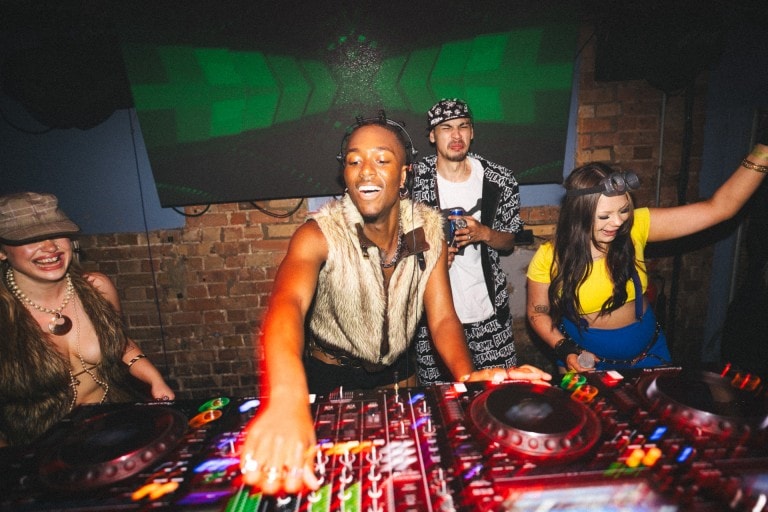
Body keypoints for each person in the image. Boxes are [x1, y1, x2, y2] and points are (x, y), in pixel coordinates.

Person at [239, 113, 551, 495]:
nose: (365, 171)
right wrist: (287, 397)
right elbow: (286, 306)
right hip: (328, 382)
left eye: (381, 160)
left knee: (403, 487)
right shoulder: (317, 234)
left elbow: (442, 318)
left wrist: (466, 377)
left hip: (400, 382)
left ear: (403, 175)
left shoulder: (427, 231)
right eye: (354, 161)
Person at [526, 140, 768, 373]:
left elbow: (720, 208)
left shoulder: (636, 226)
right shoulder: (550, 256)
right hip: (583, 362)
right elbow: (537, 312)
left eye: (623, 210)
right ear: (578, 216)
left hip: (648, 355)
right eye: (605, 216)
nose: (619, 222)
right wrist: (565, 349)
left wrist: (763, 150)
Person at [0, 191, 175, 447]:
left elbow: (119, 341)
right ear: (2, 252)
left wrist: (154, 378)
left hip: (115, 423)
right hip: (41, 446)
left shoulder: (98, 287)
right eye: (31, 238)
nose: (50, 247)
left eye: (57, 233)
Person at [411, 98, 523, 384]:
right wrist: (430, 257)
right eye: (446, 128)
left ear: (472, 132)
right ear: (432, 135)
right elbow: (393, 242)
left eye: (463, 126)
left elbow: (508, 241)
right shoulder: (413, 180)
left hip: (489, 313)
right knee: (442, 404)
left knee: (498, 393)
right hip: (431, 319)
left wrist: (484, 233)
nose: (456, 135)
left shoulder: (501, 179)